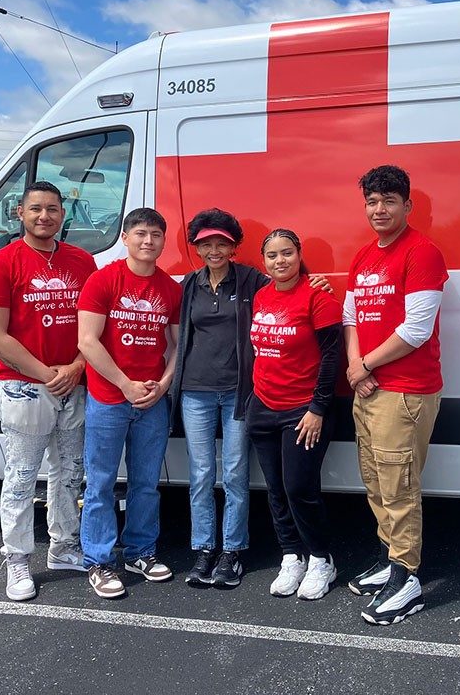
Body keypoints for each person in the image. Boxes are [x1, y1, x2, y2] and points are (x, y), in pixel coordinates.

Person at [0, 180, 97, 601]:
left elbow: (96, 328)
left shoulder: (83, 262)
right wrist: (48, 373)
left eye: (52, 209)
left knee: (69, 473)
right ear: (20, 214)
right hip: (26, 388)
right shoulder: (1, 263)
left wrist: (78, 366)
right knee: (23, 476)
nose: (44, 216)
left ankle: (64, 549)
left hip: (74, 384)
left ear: (63, 214)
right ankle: (17, 560)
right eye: (36, 209)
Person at [343, 164, 448, 626]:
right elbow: (351, 317)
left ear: (408, 205)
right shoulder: (364, 256)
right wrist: (355, 367)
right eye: (372, 201)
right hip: (368, 388)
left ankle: (407, 579)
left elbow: (417, 330)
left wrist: (365, 365)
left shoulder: (422, 252)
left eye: (389, 200)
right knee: (376, 482)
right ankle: (389, 559)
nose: (379, 209)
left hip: (405, 391)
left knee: (400, 487)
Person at [77, 207, 182, 599]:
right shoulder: (102, 281)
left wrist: (164, 385)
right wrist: (124, 385)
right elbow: (87, 341)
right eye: (140, 233)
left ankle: (140, 551)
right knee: (101, 483)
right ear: (125, 237)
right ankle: (100, 561)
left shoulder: (170, 288)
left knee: (146, 484)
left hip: (151, 402)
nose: (148, 241)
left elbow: (176, 345)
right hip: (108, 399)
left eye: (155, 234)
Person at [170, 209, 264, 589]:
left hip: (238, 393)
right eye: (206, 243)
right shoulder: (188, 285)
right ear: (196, 247)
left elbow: (290, 286)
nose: (214, 250)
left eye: (221, 243)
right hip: (196, 392)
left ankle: (233, 552)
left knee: (236, 474)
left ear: (233, 246)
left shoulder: (252, 281)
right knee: (201, 474)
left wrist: (319, 284)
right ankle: (205, 548)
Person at [246, 228, 342, 600]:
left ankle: (321, 559)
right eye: (272, 255)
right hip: (263, 407)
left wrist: (318, 408)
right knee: (275, 490)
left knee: (300, 488)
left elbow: (332, 357)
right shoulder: (261, 297)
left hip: (303, 411)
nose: (280, 261)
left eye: (287, 253)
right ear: (264, 261)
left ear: (299, 255)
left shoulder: (318, 297)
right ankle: (291, 556)